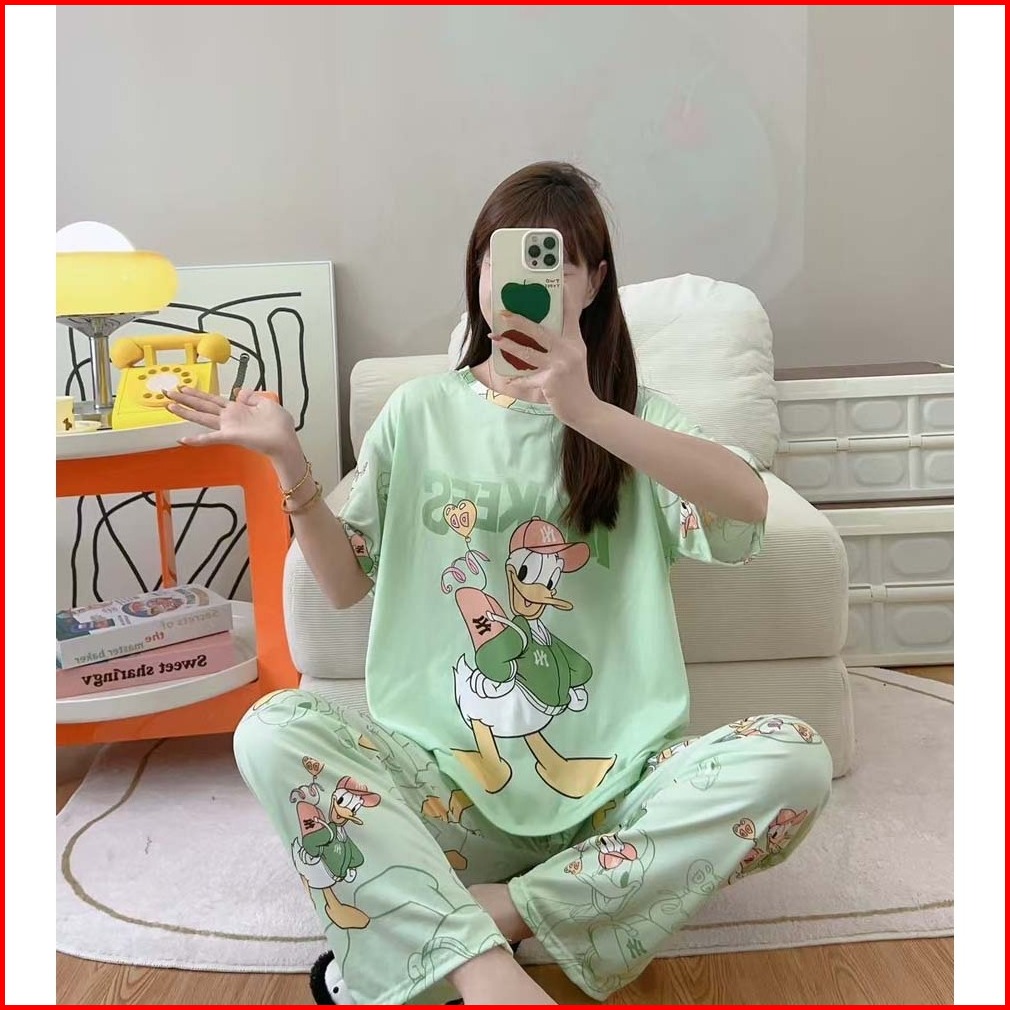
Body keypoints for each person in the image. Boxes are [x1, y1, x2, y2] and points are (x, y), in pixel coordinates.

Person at [166, 162, 832, 1006]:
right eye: (498, 257)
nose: (518, 280)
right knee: (270, 728)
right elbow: (342, 583)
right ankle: (487, 968)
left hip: (614, 797)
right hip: (441, 793)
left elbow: (745, 507)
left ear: (592, 282)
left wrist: (588, 413)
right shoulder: (419, 411)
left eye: (555, 259)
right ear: (477, 271)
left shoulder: (634, 419)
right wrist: (287, 460)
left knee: (793, 760)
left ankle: (489, 917)